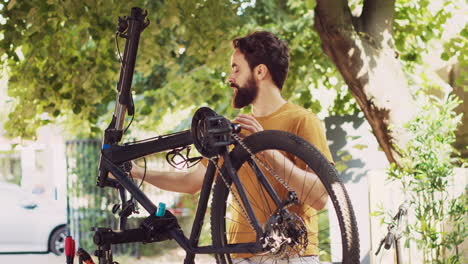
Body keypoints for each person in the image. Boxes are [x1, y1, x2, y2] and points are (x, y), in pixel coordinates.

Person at [128, 31, 333, 263]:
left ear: (260, 71)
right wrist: (136, 172)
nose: (229, 77)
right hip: (240, 253)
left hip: (292, 253)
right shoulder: (234, 128)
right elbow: (191, 182)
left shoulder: (303, 120)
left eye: (236, 68)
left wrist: (265, 148)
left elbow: (320, 197)